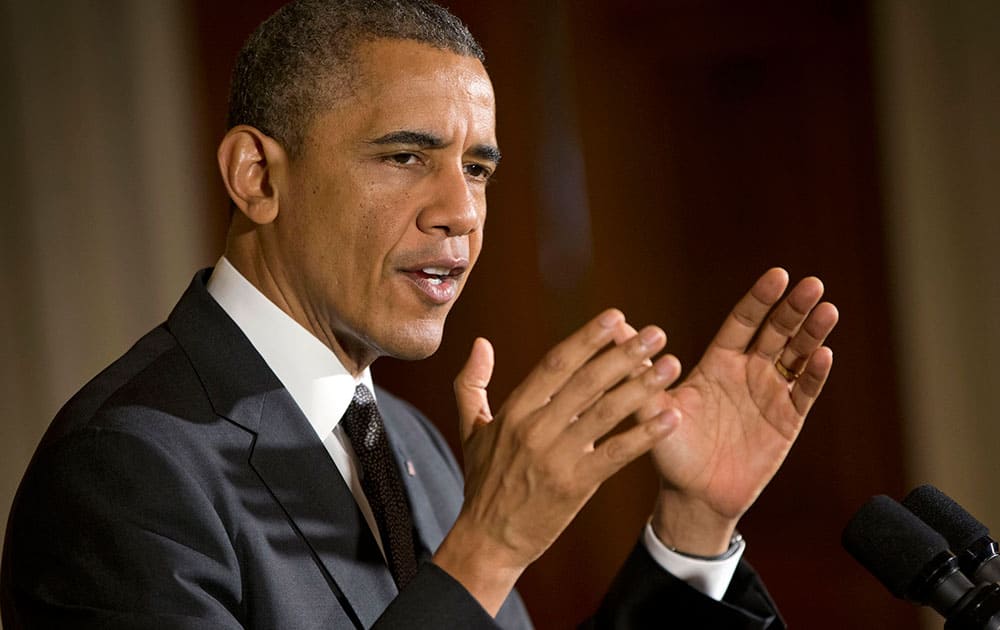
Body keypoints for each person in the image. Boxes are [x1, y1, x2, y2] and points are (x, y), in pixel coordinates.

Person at [0, 1, 838, 628]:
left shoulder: (411, 447)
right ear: (257, 175)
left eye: (477, 170)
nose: (461, 212)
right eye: (406, 157)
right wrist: (488, 549)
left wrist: (693, 528)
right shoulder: (128, 468)